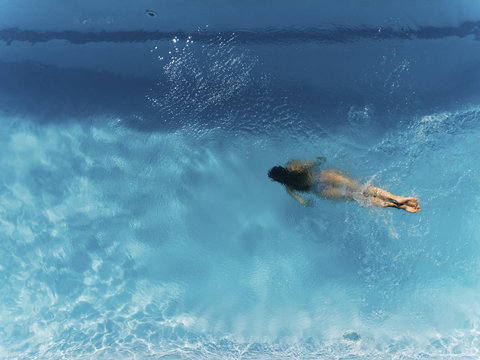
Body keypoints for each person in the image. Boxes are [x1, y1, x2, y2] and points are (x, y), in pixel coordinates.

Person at [268, 157, 420, 213]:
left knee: (359, 198)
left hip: (321, 190)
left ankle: (398, 206)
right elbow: (307, 164)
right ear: (282, 168)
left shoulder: (289, 187)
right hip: (323, 176)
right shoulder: (291, 165)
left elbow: (301, 201)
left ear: (278, 180)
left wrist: (305, 202)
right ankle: (396, 197)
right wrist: (318, 161)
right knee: (364, 189)